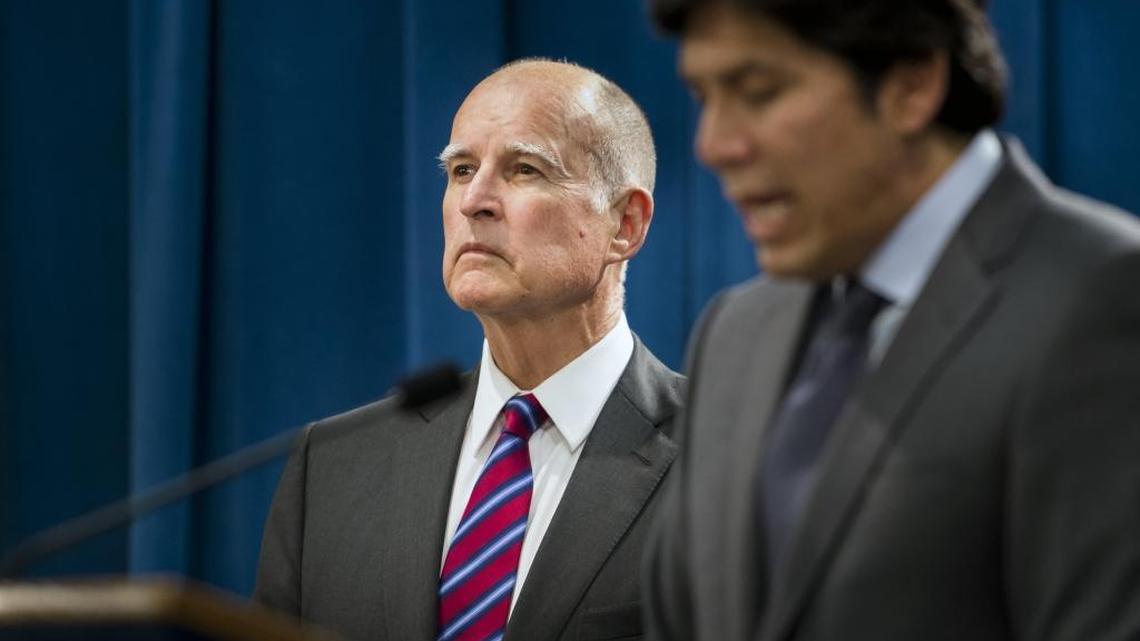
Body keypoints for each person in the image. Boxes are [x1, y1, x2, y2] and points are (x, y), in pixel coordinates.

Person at [642, 1, 1140, 640]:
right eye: (704, 96)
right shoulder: (734, 332)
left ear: (912, 84)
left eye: (758, 92)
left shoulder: (1102, 298)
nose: (712, 144)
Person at [254, 59, 682, 641]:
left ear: (624, 225)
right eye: (460, 170)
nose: (473, 201)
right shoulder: (332, 466)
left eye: (525, 169)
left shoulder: (730, 460)